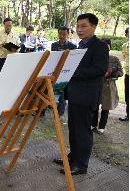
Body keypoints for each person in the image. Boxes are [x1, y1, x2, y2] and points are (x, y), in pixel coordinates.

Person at [54, 13, 108, 175]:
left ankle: (81, 165)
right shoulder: (80, 45)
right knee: (74, 128)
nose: (79, 29)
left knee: (83, 131)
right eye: (78, 26)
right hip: (75, 94)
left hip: (87, 96)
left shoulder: (99, 46)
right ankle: (73, 157)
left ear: (94, 27)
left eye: (84, 26)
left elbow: (100, 69)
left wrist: (72, 72)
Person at [92, 38, 123, 134]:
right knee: (94, 106)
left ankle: (102, 127)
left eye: (107, 46)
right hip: (97, 85)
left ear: (110, 47)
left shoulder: (114, 59)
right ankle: (93, 125)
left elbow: (120, 72)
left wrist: (111, 73)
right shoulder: (95, 58)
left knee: (106, 108)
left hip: (109, 86)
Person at [50, 26, 77, 122]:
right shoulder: (54, 45)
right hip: (55, 71)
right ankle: (54, 111)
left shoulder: (72, 46)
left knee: (62, 92)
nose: (62, 36)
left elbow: (74, 61)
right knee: (55, 92)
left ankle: (60, 114)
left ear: (68, 34)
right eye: (60, 34)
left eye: (64, 34)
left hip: (66, 72)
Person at [0, 18, 20, 95]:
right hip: (1, 58)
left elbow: (18, 45)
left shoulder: (15, 34)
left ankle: (7, 92)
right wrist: (1, 44)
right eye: (7, 25)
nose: (8, 27)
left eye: (10, 25)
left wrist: (15, 49)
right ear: (4, 25)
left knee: (10, 75)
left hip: (11, 58)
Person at [119, 28, 129, 121]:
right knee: (127, 96)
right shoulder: (124, 46)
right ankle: (128, 115)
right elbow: (125, 59)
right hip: (128, 74)